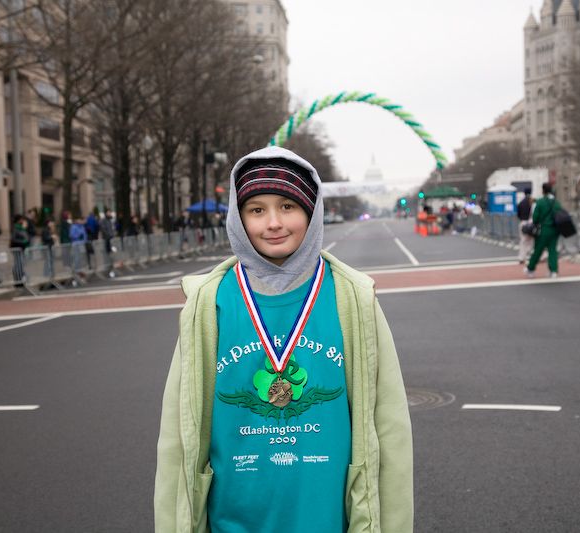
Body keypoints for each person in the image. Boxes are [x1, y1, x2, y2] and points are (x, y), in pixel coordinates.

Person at [154, 146, 413, 532]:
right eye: (257, 210)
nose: (273, 223)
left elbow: (390, 427)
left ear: (311, 210)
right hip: (233, 519)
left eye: (288, 206)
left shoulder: (353, 298)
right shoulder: (208, 303)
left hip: (329, 520)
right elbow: (179, 435)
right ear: (238, 217)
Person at [525, 182, 562, 278]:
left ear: (543, 190)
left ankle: (531, 269)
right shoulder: (556, 202)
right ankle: (553, 270)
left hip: (543, 229)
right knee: (552, 250)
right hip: (555, 230)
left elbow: (535, 218)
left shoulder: (540, 202)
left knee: (538, 250)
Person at [517, 187, 534, 264]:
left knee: (523, 241)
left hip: (523, 222)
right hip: (531, 222)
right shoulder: (532, 201)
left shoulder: (521, 203)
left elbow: (518, 214)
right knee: (533, 240)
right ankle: (538, 255)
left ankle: (521, 257)